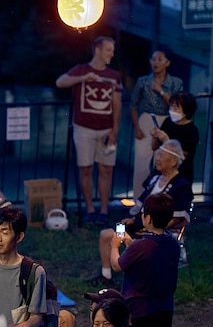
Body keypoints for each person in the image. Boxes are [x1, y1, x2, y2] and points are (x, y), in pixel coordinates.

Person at [111, 193, 180, 327]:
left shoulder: (139, 246)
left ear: (147, 217)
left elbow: (117, 265)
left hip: (139, 309)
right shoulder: (173, 243)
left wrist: (115, 246)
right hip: (164, 308)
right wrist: (132, 244)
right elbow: (150, 258)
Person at [93, 139, 190, 288]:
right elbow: (142, 205)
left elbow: (177, 218)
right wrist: (133, 219)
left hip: (157, 231)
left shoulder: (181, 186)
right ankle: (106, 275)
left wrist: (154, 228)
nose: (156, 159)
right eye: (157, 155)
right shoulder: (155, 178)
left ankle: (132, 275)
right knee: (107, 234)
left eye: (161, 155)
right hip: (141, 225)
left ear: (173, 161)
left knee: (133, 244)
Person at [56, 36, 122, 225]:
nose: (111, 53)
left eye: (112, 50)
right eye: (109, 49)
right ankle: (90, 210)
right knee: (85, 169)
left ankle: (103, 211)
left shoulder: (113, 76)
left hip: (106, 129)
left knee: (106, 170)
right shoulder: (82, 69)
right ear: (98, 50)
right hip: (83, 128)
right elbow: (60, 82)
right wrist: (84, 78)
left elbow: (116, 104)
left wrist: (115, 130)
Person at [128, 48, 182, 195]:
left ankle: (161, 198)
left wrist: (161, 91)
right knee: (141, 162)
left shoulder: (175, 83)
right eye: (153, 59)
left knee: (164, 159)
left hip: (167, 120)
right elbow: (133, 105)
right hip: (147, 119)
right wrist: (137, 127)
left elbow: (176, 103)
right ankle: (139, 200)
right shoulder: (143, 81)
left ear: (167, 62)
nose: (155, 62)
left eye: (159, 59)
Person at [151, 91, 199, 184]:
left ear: (186, 111)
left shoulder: (192, 131)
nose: (172, 110)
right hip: (161, 173)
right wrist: (155, 136)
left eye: (176, 108)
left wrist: (167, 140)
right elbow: (154, 147)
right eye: (171, 106)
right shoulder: (168, 122)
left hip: (180, 176)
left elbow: (182, 159)